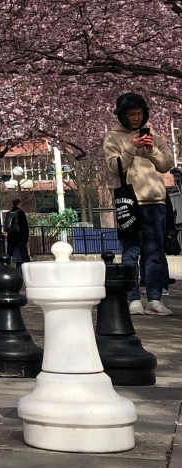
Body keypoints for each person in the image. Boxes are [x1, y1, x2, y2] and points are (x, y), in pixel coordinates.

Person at [103, 92, 173, 316]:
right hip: (131, 202)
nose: (136, 118)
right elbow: (115, 167)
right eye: (131, 114)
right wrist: (132, 147)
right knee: (131, 252)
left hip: (156, 202)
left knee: (155, 253)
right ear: (122, 115)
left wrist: (151, 148)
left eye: (139, 114)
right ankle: (132, 298)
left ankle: (154, 299)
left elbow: (166, 165)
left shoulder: (152, 134)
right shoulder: (113, 137)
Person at [3, 198, 30, 268]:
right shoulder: (20, 213)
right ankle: (24, 270)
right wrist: (26, 237)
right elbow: (25, 226)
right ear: (19, 204)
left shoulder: (9, 213)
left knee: (9, 254)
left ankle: (7, 269)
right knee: (23, 254)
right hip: (20, 237)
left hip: (11, 236)